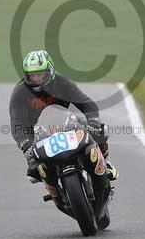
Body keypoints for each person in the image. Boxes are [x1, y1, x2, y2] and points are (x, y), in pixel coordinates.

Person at [9, 49, 118, 181]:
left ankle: (106, 161)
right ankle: (53, 189)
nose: (36, 78)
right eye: (32, 75)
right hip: (37, 131)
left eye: (40, 74)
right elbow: (17, 122)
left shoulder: (61, 83)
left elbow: (86, 103)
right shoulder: (20, 92)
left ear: (49, 71)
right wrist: (25, 144)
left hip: (65, 122)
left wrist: (93, 121)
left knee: (100, 130)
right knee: (35, 171)